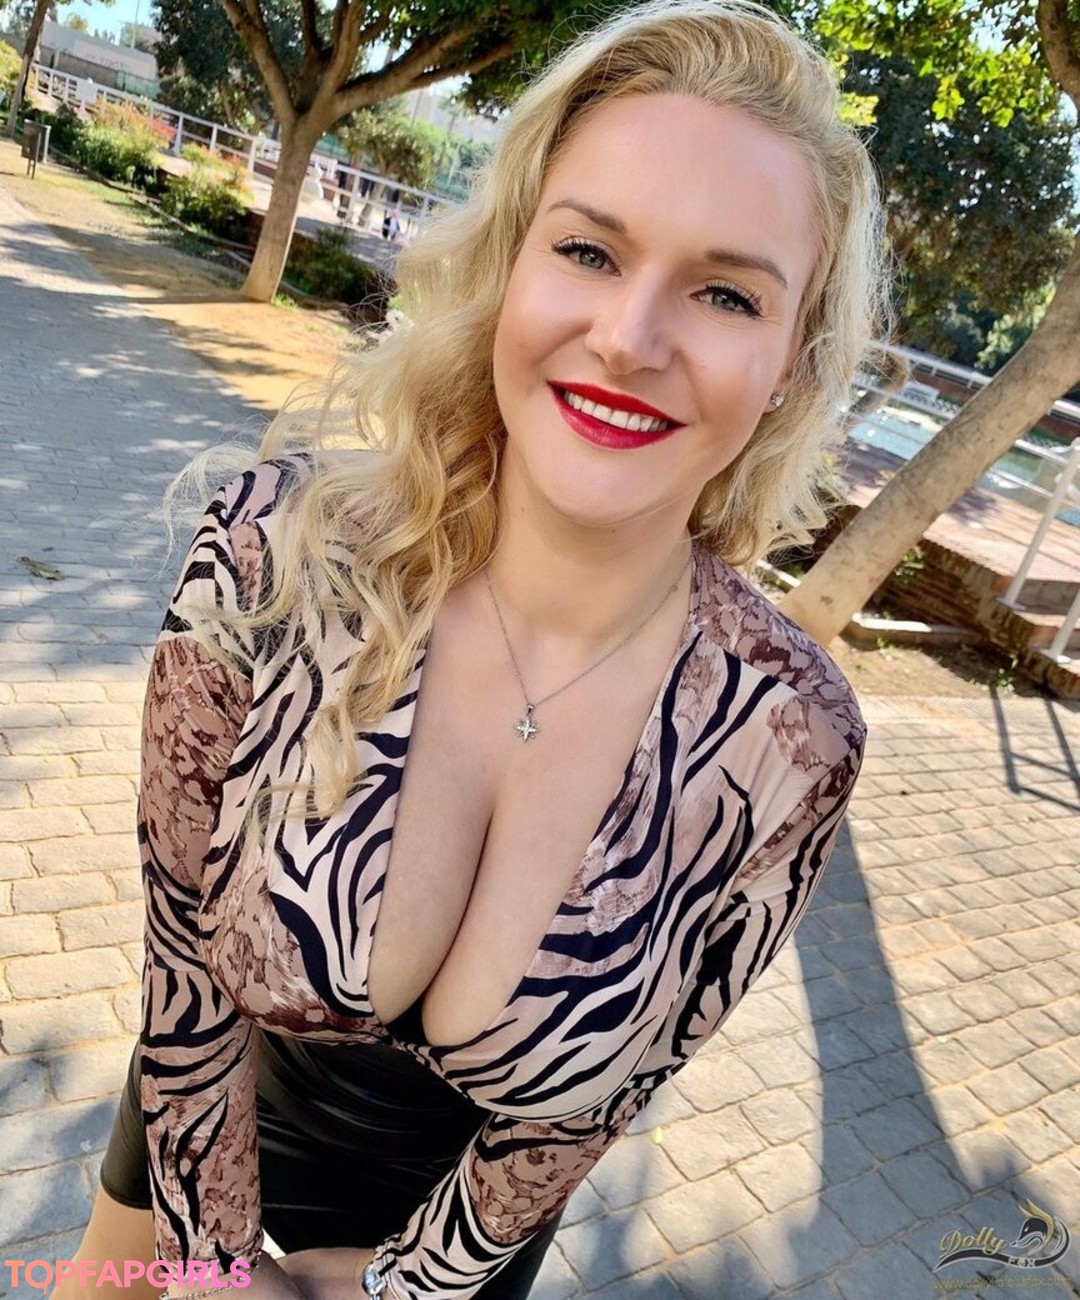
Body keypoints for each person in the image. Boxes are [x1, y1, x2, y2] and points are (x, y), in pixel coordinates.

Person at [56, 2, 887, 1298]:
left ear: (791, 361)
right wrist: (216, 1277)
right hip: (190, 1167)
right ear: (511, 262)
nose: (630, 337)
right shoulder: (277, 557)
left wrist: (398, 1289)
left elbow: (599, 1103)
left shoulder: (789, 740)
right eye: (589, 250)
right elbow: (184, 973)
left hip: (464, 1255)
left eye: (727, 292)